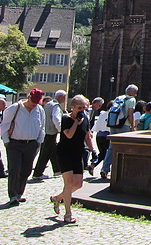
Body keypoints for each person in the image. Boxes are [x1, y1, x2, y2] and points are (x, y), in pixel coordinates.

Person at [50, 95, 96, 224]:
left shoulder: (85, 118)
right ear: (72, 107)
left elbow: (87, 136)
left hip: (77, 152)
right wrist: (76, 122)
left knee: (78, 184)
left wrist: (93, 150)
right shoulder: (66, 118)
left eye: (84, 107)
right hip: (65, 152)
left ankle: (57, 198)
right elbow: (69, 135)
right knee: (69, 183)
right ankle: (68, 213)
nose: (82, 110)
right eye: (79, 108)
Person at [0, 88, 46, 206]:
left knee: (26, 170)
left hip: (31, 144)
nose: (34, 105)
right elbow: (4, 125)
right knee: (14, 169)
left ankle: (20, 193)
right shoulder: (15, 108)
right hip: (15, 143)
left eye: (37, 102)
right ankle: (13, 195)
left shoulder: (39, 110)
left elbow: (42, 127)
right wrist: (6, 141)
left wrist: (39, 141)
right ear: (29, 97)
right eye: (33, 102)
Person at [100, 84, 138, 180]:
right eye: (135, 92)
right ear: (132, 92)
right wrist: (133, 126)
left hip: (114, 124)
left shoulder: (119, 98)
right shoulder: (131, 100)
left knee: (111, 146)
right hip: (124, 125)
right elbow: (130, 114)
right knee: (123, 147)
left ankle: (105, 169)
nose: (136, 94)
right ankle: (120, 170)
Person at [33, 89, 66, 179]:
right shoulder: (55, 106)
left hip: (46, 131)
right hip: (50, 132)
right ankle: (37, 173)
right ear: (61, 97)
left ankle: (57, 170)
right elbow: (56, 119)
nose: (65, 99)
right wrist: (61, 130)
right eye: (64, 97)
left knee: (52, 151)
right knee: (45, 153)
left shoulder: (48, 104)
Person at [86, 100, 111, 175]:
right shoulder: (112, 115)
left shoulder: (102, 114)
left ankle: (95, 166)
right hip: (107, 136)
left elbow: (96, 126)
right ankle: (102, 168)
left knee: (103, 154)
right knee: (106, 154)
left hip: (99, 135)